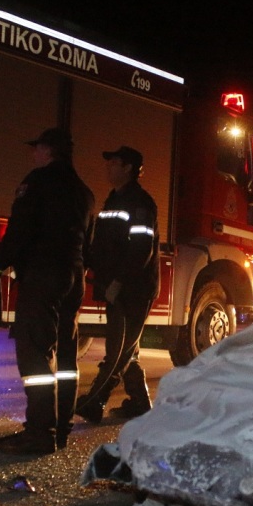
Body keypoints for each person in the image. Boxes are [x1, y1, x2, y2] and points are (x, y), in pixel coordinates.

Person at [0, 127, 94, 454]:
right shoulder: (84, 192)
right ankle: (60, 429)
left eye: (36, 148)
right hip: (73, 277)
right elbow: (88, 242)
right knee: (64, 357)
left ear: (48, 151)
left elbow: (20, 229)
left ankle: (39, 432)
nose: (33, 154)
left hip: (43, 275)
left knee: (36, 355)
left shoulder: (37, 182)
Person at [75, 146, 159, 424]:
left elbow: (141, 250)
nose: (108, 167)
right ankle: (140, 404)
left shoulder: (140, 203)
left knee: (119, 349)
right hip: (117, 287)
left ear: (128, 168)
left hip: (133, 290)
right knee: (128, 349)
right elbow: (104, 244)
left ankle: (94, 401)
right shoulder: (114, 200)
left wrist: (119, 282)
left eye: (114, 163)